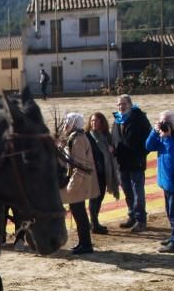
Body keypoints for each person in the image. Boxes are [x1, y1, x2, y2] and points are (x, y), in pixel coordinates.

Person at [145, 110, 174, 253]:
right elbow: (148, 146)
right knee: (170, 210)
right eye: (163, 122)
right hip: (165, 177)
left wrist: (167, 137)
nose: (166, 125)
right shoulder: (161, 133)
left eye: (168, 123)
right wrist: (155, 131)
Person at [59, 112, 101, 255]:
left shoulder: (78, 139)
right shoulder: (74, 137)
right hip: (78, 182)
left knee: (80, 213)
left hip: (79, 183)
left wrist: (72, 186)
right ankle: (83, 242)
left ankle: (86, 244)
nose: (65, 124)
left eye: (68, 121)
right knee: (78, 213)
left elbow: (80, 166)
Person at [111, 94, 151, 232]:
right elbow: (114, 139)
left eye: (124, 104)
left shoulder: (139, 118)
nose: (121, 107)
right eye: (119, 104)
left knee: (137, 192)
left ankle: (141, 220)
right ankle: (132, 216)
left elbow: (148, 140)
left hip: (136, 163)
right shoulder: (117, 120)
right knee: (128, 192)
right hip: (121, 163)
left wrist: (140, 155)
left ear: (130, 104)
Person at [85, 111, 120, 234]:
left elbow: (112, 153)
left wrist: (112, 150)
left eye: (96, 120)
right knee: (94, 198)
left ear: (101, 122)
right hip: (93, 173)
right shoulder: (87, 136)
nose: (93, 123)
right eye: (92, 120)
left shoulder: (106, 136)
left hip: (104, 172)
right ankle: (94, 224)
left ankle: (94, 221)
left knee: (99, 198)